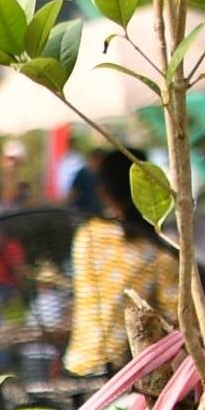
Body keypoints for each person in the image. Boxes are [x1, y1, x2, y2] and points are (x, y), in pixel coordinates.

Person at [70, 148, 169, 378]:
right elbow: (176, 317)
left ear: (103, 191)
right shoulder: (157, 250)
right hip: (128, 371)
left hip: (81, 364)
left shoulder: (87, 235)